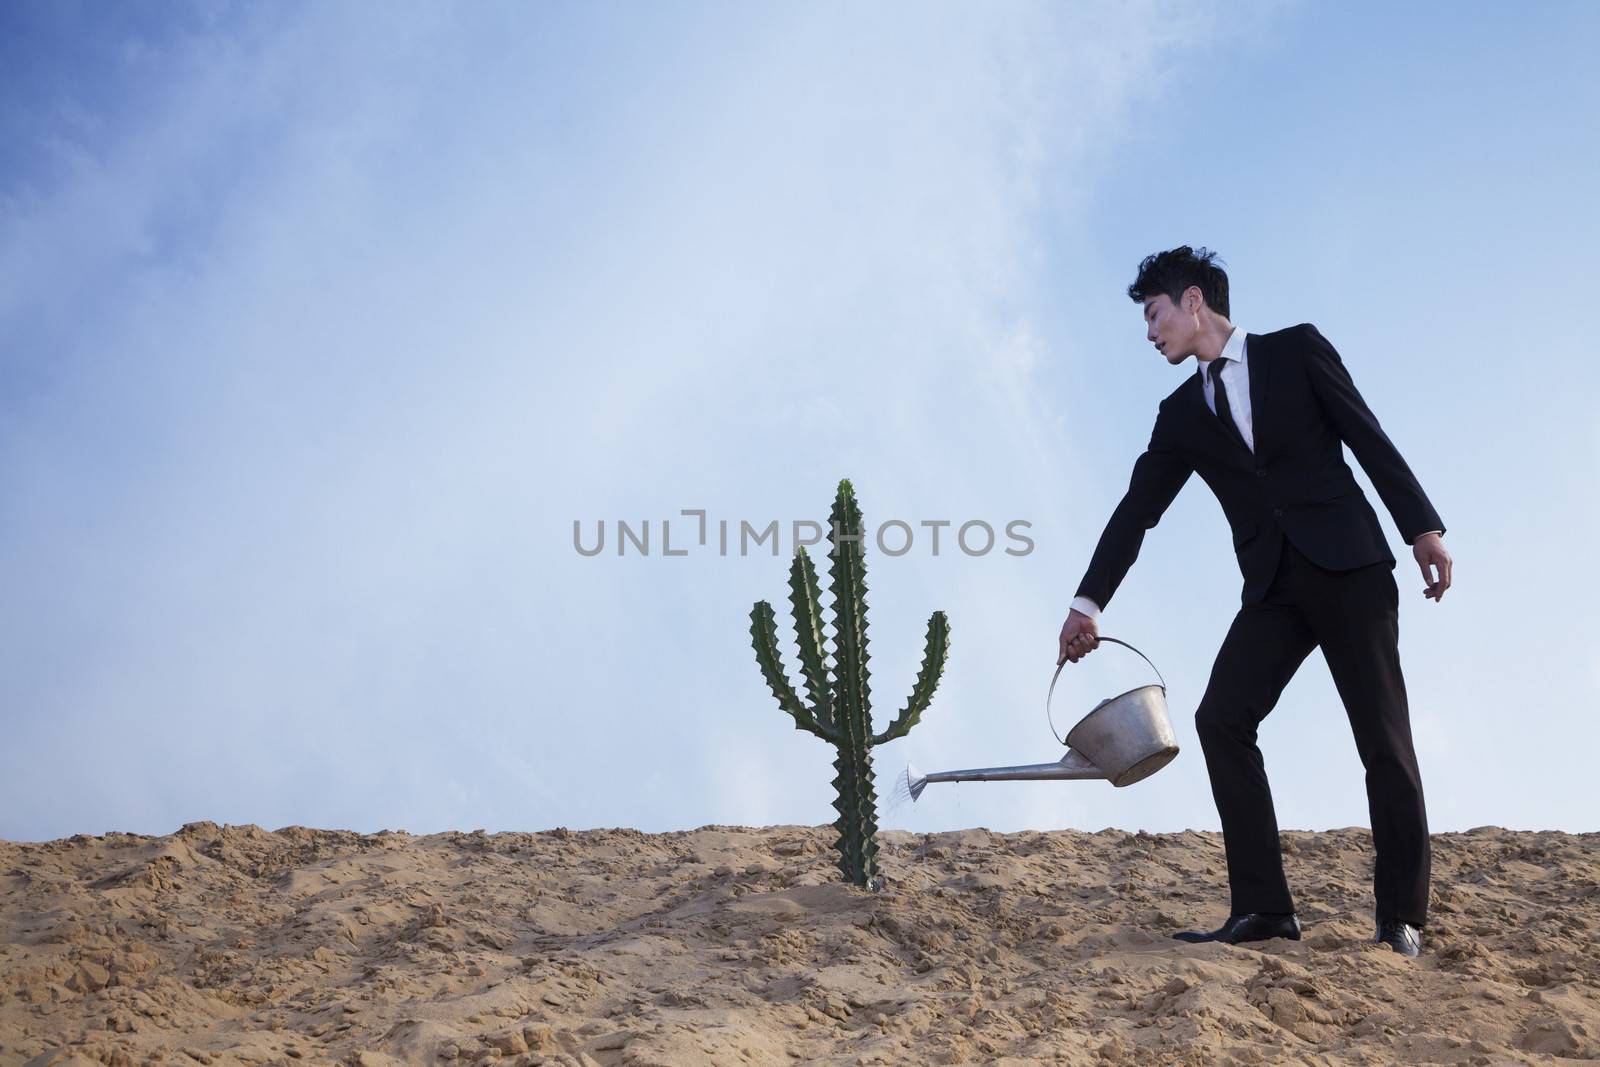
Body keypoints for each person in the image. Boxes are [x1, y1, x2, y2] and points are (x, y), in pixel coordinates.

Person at [1057, 246, 1451, 958]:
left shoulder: (1296, 350)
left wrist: (1421, 526)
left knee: (1382, 739)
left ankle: (1401, 916)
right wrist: (1089, 601)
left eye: (1154, 314)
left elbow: (1366, 434)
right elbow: (1137, 509)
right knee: (1221, 718)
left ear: (1194, 301)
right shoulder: (1179, 412)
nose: (1150, 333)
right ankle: (1265, 908)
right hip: (1273, 588)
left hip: (1349, 565)